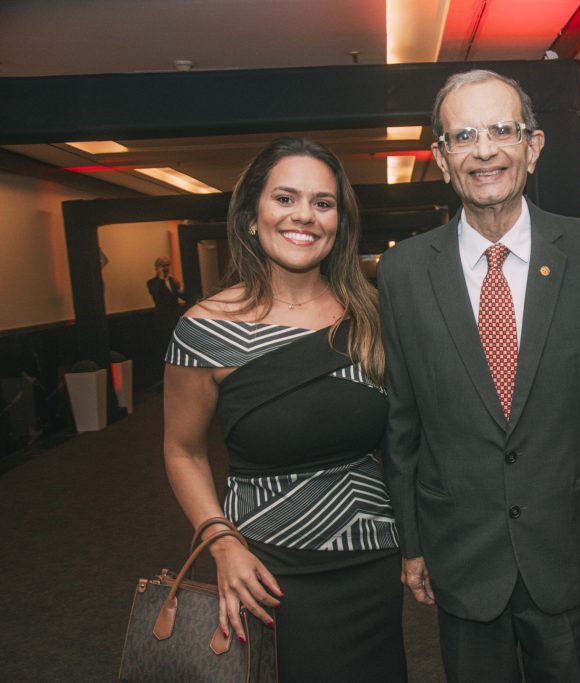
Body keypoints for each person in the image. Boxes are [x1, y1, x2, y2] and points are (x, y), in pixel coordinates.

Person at [377, 69, 580, 682]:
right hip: (460, 553)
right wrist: (412, 542)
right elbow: (401, 420)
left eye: (502, 130)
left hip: (567, 546)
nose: (485, 150)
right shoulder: (403, 272)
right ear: (441, 158)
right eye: (463, 135)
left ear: (534, 145)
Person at [162, 137, 405, 681]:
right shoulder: (204, 330)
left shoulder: (372, 319)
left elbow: (405, 444)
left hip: (370, 564)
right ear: (252, 216)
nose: (305, 216)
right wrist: (220, 541)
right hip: (264, 568)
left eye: (323, 203)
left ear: (340, 221)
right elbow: (182, 452)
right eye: (285, 198)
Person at [147, 256, 186, 346]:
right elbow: (155, 293)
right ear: (157, 268)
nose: (166, 268)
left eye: (167, 265)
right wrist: (161, 278)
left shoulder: (172, 281)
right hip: (162, 319)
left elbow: (183, 296)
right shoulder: (152, 282)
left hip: (175, 317)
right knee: (164, 344)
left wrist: (180, 287)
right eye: (163, 265)